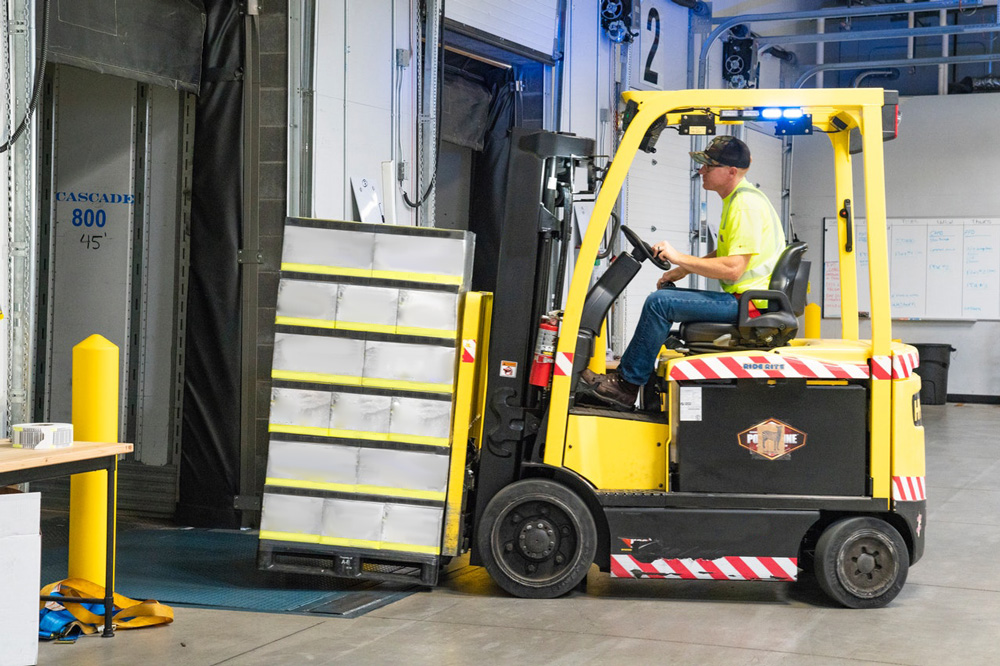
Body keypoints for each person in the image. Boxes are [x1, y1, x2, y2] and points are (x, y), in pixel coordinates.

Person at [585, 135, 786, 410]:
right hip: (748, 301)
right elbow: (728, 252)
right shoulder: (738, 199)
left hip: (750, 305)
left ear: (731, 171)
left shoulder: (745, 205)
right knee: (665, 297)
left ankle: (627, 386)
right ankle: (631, 380)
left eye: (708, 165)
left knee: (660, 303)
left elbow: (734, 268)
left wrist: (679, 256)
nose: (701, 170)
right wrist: (680, 269)